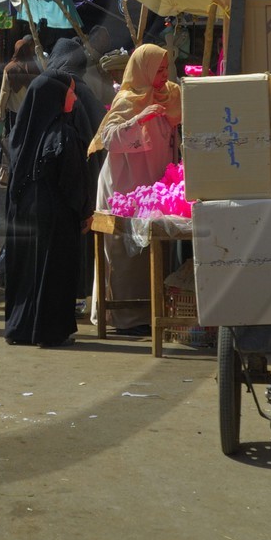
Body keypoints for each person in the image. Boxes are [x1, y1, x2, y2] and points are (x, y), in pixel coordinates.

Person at [88, 44, 181, 336]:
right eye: (159, 69)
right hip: (124, 185)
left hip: (155, 186)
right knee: (124, 254)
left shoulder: (173, 94)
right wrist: (140, 118)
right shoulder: (127, 99)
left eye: (166, 69)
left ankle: (152, 313)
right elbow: (108, 137)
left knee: (152, 252)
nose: (164, 75)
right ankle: (125, 317)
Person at [4, 72, 95, 347]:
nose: (75, 97)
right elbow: (73, 180)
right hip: (56, 215)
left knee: (27, 271)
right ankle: (50, 331)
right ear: (55, 97)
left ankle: (21, 328)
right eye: (70, 92)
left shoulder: (22, 134)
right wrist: (83, 211)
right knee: (52, 271)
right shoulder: (63, 133)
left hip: (25, 211)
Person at [0, 35, 41, 133]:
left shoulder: (9, 68)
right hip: (31, 112)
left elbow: (4, 92)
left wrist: (1, 112)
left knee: (13, 138)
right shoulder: (35, 68)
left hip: (15, 112)